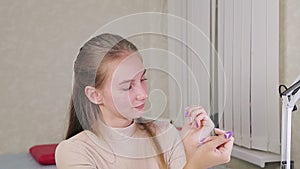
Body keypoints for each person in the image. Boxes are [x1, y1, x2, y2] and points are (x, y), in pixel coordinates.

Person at [55, 33, 234, 169]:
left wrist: (188, 148)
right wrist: (196, 164)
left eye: (143, 79)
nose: (143, 94)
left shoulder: (165, 132)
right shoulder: (73, 151)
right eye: (127, 86)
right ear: (95, 95)